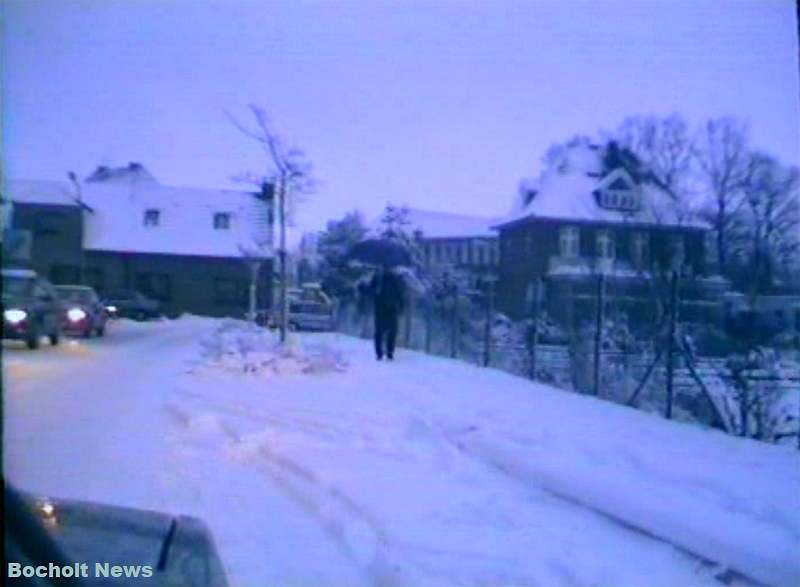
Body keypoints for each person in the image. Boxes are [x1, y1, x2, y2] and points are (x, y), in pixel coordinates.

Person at [370, 266, 405, 360]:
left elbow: (401, 293)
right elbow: (371, 290)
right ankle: (379, 352)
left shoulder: (396, 279)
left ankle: (390, 351)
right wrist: (375, 291)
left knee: (392, 331)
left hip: (392, 307)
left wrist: (401, 306)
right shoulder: (377, 278)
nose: (387, 269)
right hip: (380, 307)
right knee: (379, 331)